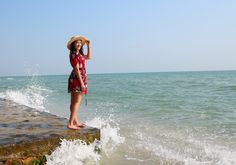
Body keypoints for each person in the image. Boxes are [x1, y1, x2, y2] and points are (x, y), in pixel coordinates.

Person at [67, 35, 91, 130]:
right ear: (73, 44)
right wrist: (81, 83)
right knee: (76, 102)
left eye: (80, 42)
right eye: (77, 42)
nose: (79, 44)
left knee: (74, 102)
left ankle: (75, 121)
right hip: (77, 79)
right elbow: (76, 69)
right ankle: (70, 123)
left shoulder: (79, 54)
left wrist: (89, 45)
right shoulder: (74, 54)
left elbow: (88, 57)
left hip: (78, 78)